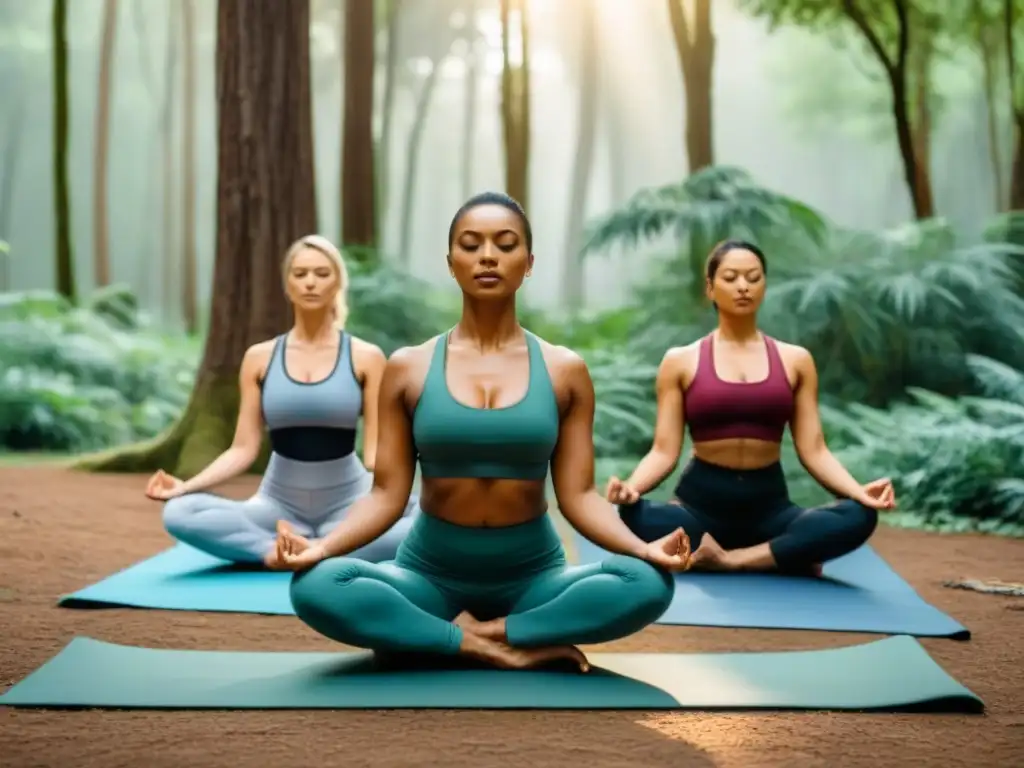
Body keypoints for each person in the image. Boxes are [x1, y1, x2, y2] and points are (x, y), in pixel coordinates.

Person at [272, 192, 689, 672]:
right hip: (428, 573)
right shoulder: (409, 367)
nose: (488, 256)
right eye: (471, 245)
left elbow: (579, 496)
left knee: (648, 581)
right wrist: (321, 547)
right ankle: (479, 644)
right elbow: (387, 494)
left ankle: (483, 633)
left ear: (528, 263)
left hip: (534, 577)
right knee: (315, 585)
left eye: (505, 244)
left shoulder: (564, 370)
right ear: (451, 263)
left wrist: (643, 549)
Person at [605, 239, 896, 576]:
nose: (743, 286)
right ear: (711, 289)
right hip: (699, 508)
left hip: (770, 509)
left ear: (764, 286)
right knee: (634, 515)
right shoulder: (680, 361)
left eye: (753, 277)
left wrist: (858, 492)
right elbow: (663, 450)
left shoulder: (796, 360)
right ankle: (779, 556)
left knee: (860, 515)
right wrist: (632, 488)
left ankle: (731, 559)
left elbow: (814, 449)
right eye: (730, 278)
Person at [145, 235, 418, 569]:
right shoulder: (259, 358)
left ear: (337, 283)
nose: (310, 283)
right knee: (180, 511)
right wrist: (186, 486)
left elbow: (376, 453)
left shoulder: (367, 357)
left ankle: (319, 547)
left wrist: (421, 486)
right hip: (276, 509)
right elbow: (242, 449)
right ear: (287, 286)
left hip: (349, 503)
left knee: (426, 522)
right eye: (300, 274)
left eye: (321, 273)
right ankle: (272, 553)